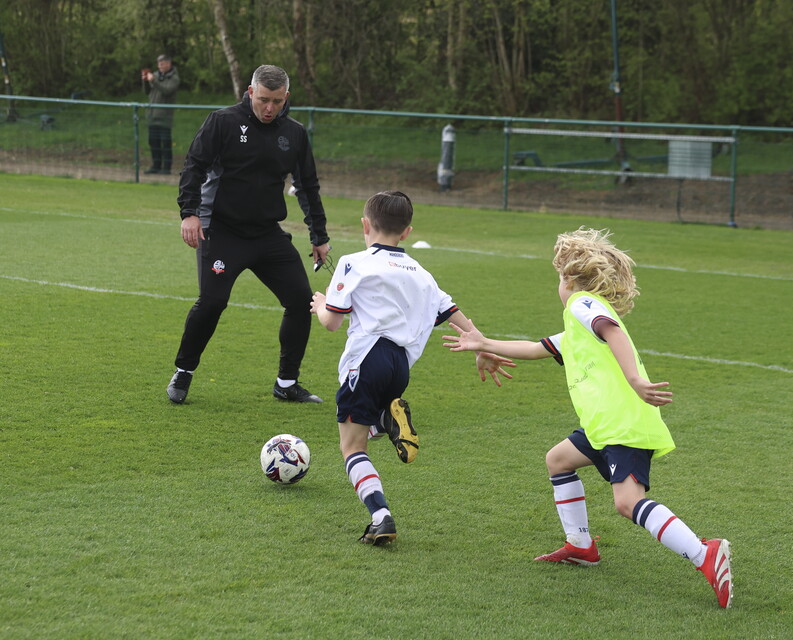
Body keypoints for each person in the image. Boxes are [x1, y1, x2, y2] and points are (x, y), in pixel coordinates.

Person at [442, 227, 733, 609]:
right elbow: (534, 348)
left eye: (559, 278)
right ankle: (581, 545)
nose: (559, 287)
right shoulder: (575, 326)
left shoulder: (581, 303)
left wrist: (635, 380)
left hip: (621, 422)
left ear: (569, 280)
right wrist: (482, 342)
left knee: (628, 503)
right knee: (558, 460)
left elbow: (613, 332)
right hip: (602, 425)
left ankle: (704, 554)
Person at [311, 191, 514, 545]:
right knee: (363, 429)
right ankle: (387, 420)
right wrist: (480, 346)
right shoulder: (422, 273)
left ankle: (380, 516)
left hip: (368, 358)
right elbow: (453, 313)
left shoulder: (354, 261)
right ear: (406, 232)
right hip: (400, 366)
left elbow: (332, 322)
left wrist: (321, 303)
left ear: (364, 224)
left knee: (352, 447)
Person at [167, 64, 331, 405]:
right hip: (222, 232)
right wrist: (190, 213)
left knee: (301, 301)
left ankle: (286, 383)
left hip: (267, 235)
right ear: (249, 91)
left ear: (287, 97)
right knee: (212, 302)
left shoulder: (295, 133)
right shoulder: (223, 121)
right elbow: (193, 167)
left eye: (276, 101)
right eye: (262, 100)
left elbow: (307, 186)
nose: (269, 108)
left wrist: (319, 235)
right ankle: (184, 371)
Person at [142, 54, 180, 175]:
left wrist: (154, 80)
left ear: (169, 64)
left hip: (165, 117)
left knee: (165, 142)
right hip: (152, 115)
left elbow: (167, 90)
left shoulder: (174, 78)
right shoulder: (156, 75)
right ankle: (155, 165)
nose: (160, 66)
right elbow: (147, 92)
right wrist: (145, 81)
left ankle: (166, 168)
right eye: (159, 64)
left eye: (162, 64)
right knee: (153, 142)